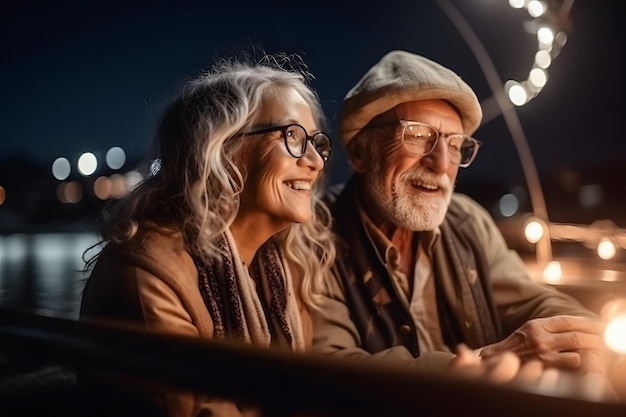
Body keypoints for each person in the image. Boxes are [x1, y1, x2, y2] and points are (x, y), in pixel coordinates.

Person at [310, 50, 615, 395]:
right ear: (360, 153)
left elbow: (533, 300)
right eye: (418, 135)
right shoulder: (317, 232)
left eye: (455, 145)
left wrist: (583, 336)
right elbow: (333, 366)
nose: (441, 162)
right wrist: (484, 362)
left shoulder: (467, 219)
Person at [79, 52, 336, 417]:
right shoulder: (148, 272)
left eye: (317, 142)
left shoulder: (285, 269)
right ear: (223, 148)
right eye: (293, 135)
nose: (314, 160)